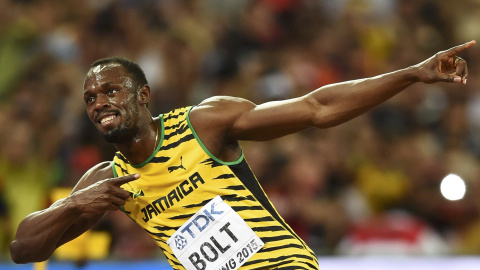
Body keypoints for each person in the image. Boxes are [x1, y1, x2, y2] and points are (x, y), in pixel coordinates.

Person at [10, 40, 475, 269]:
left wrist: (411, 74)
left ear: (144, 95)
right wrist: (73, 204)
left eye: (112, 91)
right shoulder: (106, 181)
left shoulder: (205, 124)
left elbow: (317, 108)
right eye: (90, 98)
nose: (99, 104)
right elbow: (23, 248)